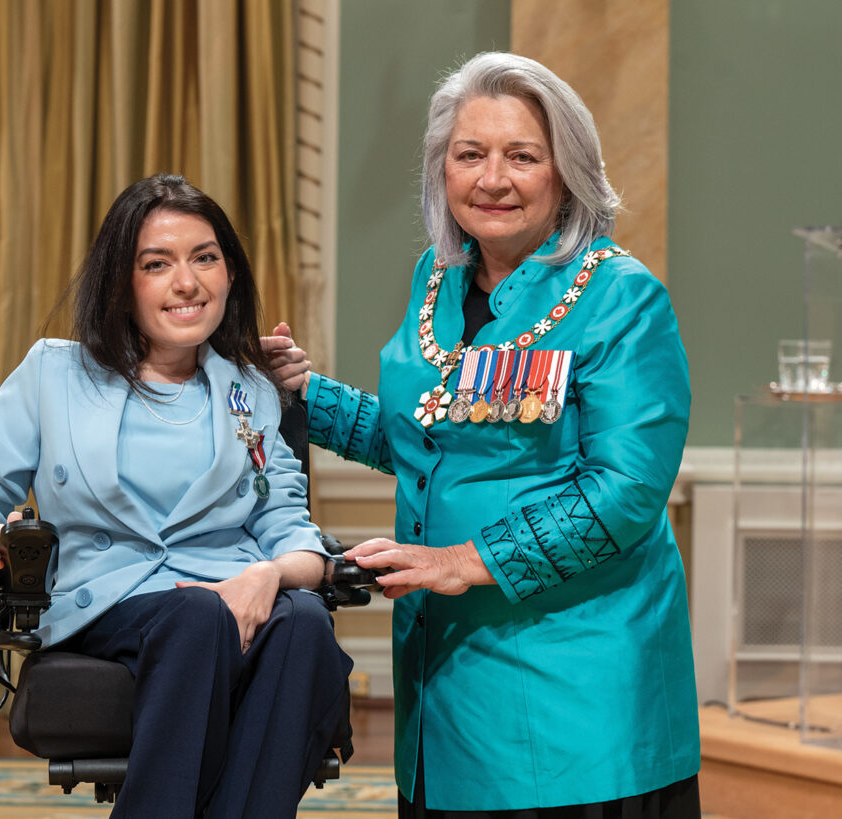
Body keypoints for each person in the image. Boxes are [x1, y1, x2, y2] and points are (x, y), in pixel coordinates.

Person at [264, 53, 700, 817]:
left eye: (522, 156)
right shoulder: (436, 279)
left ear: (567, 172)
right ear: (442, 171)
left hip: (578, 699)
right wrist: (304, 395)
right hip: (446, 681)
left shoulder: (622, 297)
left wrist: (463, 560)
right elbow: (425, 441)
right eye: (470, 155)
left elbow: (627, 492)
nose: (492, 178)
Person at [0, 173, 353, 819]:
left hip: (233, 597)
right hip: (110, 605)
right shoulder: (53, 374)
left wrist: (269, 573)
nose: (188, 282)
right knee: (197, 617)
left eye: (205, 257)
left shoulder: (253, 391)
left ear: (230, 273)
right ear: (123, 285)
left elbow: (291, 526)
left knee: (308, 625)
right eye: (158, 264)